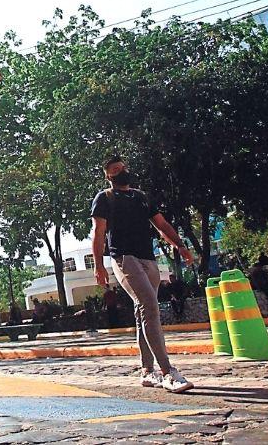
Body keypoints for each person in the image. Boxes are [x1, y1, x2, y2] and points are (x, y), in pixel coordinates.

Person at [91, 157, 194, 393]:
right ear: (109, 176)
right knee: (149, 304)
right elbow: (98, 232)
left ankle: (147, 371)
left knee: (142, 311)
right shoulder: (105, 198)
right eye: (115, 170)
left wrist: (180, 245)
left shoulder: (142, 197)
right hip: (124, 258)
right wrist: (99, 264)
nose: (121, 172)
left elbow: (162, 225)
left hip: (148, 259)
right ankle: (168, 372)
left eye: (123, 168)